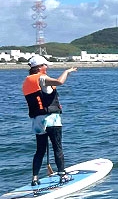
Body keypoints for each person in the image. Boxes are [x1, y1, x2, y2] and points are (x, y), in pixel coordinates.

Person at [22, 55, 78, 185]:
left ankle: (34, 178)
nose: (46, 67)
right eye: (45, 65)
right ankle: (62, 175)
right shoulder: (42, 78)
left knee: (40, 150)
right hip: (51, 119)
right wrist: (67, 72)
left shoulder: (27, 81)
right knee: (57, 147)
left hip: (37, 121)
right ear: (39, 67)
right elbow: (59, 82)